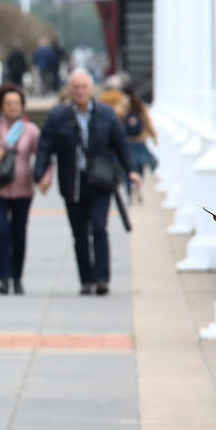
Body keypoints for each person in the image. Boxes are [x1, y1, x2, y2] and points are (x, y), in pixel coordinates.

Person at [32, 69, 140, 296]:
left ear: (91, 90)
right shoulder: (58, 116)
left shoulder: (107, 115)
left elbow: (121, 144)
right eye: (76, 87)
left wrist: (132, 170)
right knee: (80, 233)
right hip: (72, 183)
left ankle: (101, 279)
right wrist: (40, 173)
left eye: (84, 87)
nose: (80, 91)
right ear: (70, 90)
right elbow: (45, 146)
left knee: (99, 227)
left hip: (100, 182)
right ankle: (86, 279)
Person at [0, 83, 49, 295]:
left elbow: (43, 158)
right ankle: (3, 278)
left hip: (23, 189)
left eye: (17, 103)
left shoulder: (31, 130)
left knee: (19, 233)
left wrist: (44, 178)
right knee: (2, 230)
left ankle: (17, 277)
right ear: (1, 106)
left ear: (23, 106)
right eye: (8, 103)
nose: (13, 107)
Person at [122, 89, 158, 200]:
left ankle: (129, 192)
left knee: (127, 168)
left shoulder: (122, 107)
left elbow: (117, 123)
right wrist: (154, 136)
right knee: (140, 168)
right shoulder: (141, 107)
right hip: (140, 142)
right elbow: (148, 122)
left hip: (127, 143)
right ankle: (137, 187)